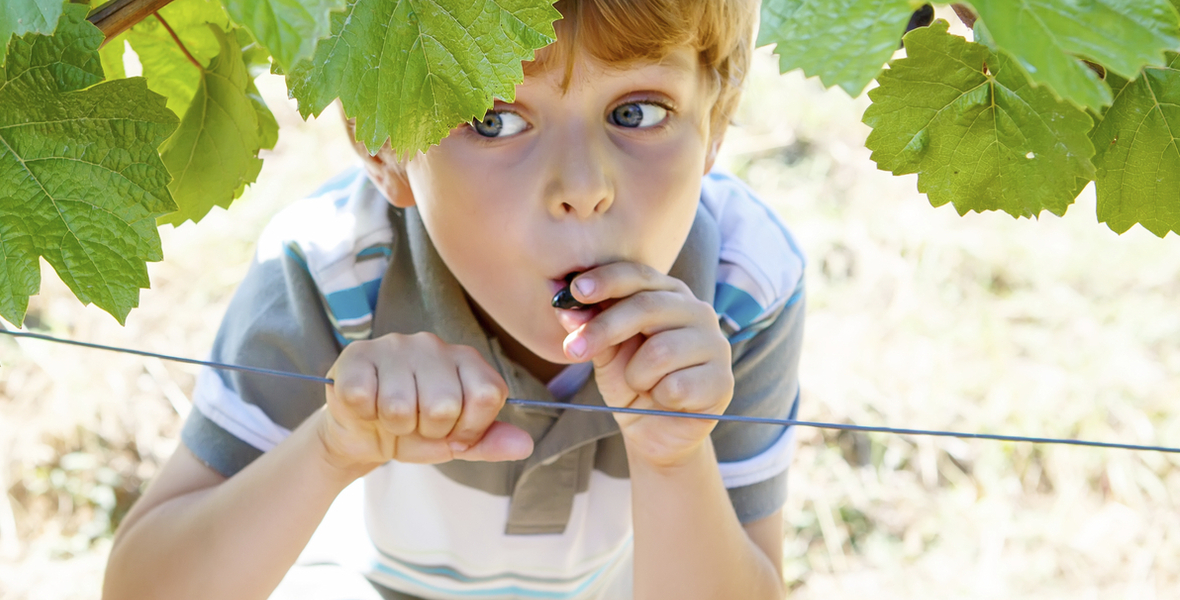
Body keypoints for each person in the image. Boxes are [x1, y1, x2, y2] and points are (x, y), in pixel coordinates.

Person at [104, 0, 803, 598]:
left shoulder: (743, 287)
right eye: (493, 120)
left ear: (714, 120)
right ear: (383, 146)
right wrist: (333, 448)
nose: (583, 186)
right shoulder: (333, 273)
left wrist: (673, 459)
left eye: (637, 111)